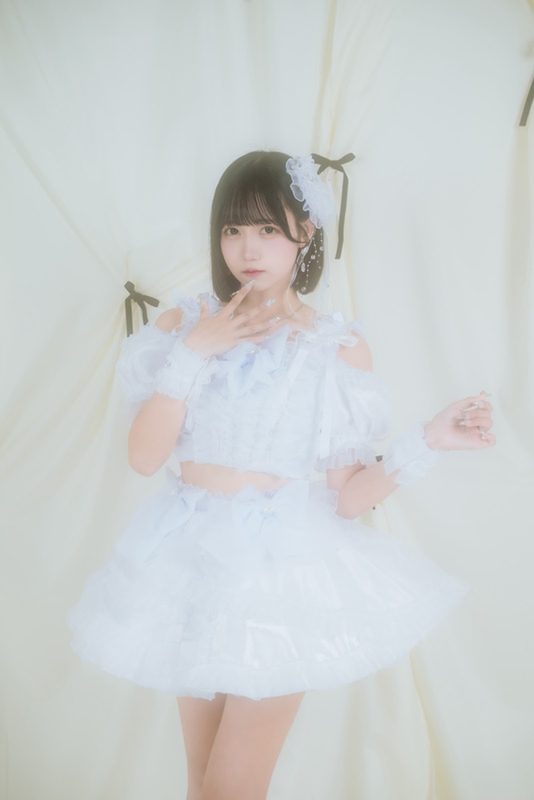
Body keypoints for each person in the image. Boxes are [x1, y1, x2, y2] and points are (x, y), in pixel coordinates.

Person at [67, 150, 495, 800]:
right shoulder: (185, 323)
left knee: (232, 788)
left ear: (305, 231)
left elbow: (347, 498)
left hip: (280, 574)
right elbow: (144, 459)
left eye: (268, 228)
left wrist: (428, 440)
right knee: (202, 782)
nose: (248, 248)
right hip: (188, 563)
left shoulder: (334, 346)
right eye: (233, 228)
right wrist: (195, 351)